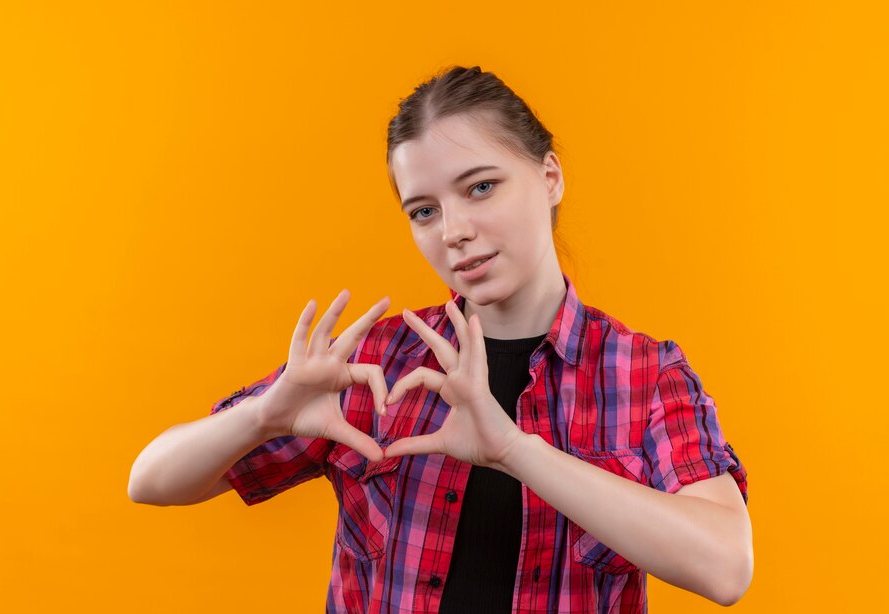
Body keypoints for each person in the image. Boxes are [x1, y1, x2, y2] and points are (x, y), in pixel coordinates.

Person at [129, 65, 752, 613]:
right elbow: (151, 480)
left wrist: (513, 448)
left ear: (550, 177)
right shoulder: (375, 362)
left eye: (480, 186)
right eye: (423, 211)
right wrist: (265, 416)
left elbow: (726, 568)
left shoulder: (642, 373)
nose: (453, 231)